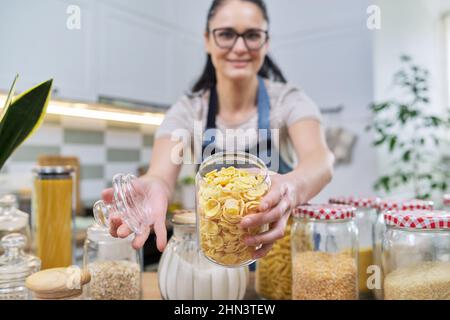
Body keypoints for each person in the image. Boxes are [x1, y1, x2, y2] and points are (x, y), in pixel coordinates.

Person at [101, 0, 334, 259]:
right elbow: (160, 175)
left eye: (252, 35)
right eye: (226, 34)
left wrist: (292, 186)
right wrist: (154, 184)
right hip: (219, 257)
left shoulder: (288, 99)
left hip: (281, 262)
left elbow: (321, 161)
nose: (239, 47)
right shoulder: (189, 111)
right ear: (207, 40)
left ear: (266, 42)